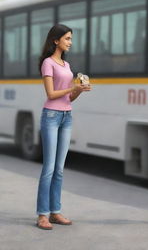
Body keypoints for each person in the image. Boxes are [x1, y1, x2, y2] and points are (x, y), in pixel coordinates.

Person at [36, 24, 91, 230]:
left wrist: (79, 90)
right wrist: (73, 87)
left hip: (67, 116)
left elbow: (69, 97)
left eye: (70, 38)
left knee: (59, 169)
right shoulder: (47, 63)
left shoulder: (67, 66)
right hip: (51, 115)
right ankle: (42, 214)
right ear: (55, 40)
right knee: (49, 168)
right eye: (67, 38)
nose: (70, 42)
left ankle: (55, 212)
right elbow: (51, 94)